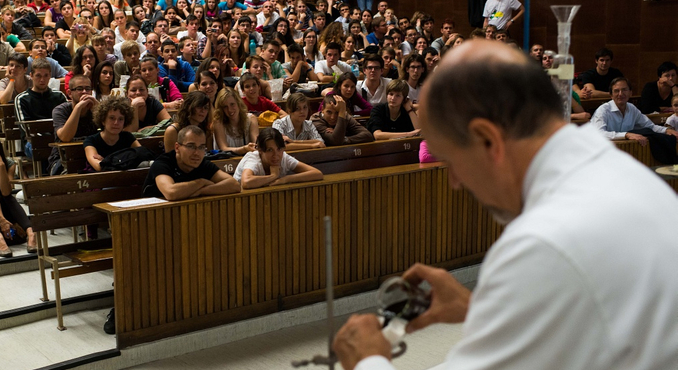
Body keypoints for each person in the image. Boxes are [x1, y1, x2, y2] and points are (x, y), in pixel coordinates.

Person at [333, 38, 678, 370]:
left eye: (451, 158)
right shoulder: (614, 168)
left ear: (487, 140)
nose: (454, 181)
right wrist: (482, 309)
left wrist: (368, 359)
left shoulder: (540, 245)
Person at [142, 125, 241, 200]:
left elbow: (234, 185)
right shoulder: (163, 163)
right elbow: (171, 192)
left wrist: (201, 191)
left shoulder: (202, 163)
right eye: (191, 146)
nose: (197, 153)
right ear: (177, 147)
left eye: (201, 147)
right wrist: (201, 182)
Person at [590, 77, 678, 150]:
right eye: (616, 91)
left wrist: (666, 130)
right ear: (611, 95)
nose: (620, 94)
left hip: (624, 151)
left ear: (630, 93)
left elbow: (650, 126)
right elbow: (599, 133)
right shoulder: (603, 110)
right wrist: (626, 135)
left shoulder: (632, 108)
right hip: (600, 151)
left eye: (624, 90)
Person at [233, 127, 322, 188]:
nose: (276, 155)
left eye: (279, 149)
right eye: (270, 150)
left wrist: (285, 179)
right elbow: (246, 182)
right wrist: (273, 176)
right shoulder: (253, 158)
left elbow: (317, 173)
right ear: (260, 150)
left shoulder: (284, 157)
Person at [15, 58, 68, 158]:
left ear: (50, 76)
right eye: (38, 76)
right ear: (31, 76)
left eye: (46, 76)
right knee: (42, 149)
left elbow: (67, 119)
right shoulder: (22, 99)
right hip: (34, 141)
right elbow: (26, 128)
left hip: (58, 138)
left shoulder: (59, 96)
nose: (42, 80)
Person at [51, 75, 99, 175]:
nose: (85, 92)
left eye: (88, 89)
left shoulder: (96, 108)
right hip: (63, 160)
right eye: (79, 89)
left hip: (92, 157)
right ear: (69, 93)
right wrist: (78, 108)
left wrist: (99, 109)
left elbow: (112, 131)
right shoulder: (60, 110)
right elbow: (65, 137)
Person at [83, 96, 140, 172]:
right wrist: (125, 159)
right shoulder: (91, 140)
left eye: (120, 119)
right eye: (112, 118)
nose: (116, 123)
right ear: (103, 120)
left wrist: (107, 161)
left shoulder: (128, 137)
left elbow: (142, 154)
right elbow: (98, 166)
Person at [212, 87, 259, 154]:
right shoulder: (218, 123)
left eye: (232, 104)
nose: (230, 110)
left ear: (238, 103)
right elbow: (223, 148)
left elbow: (256, 144)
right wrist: (244, 149)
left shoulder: (251, 119)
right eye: (225, 107)